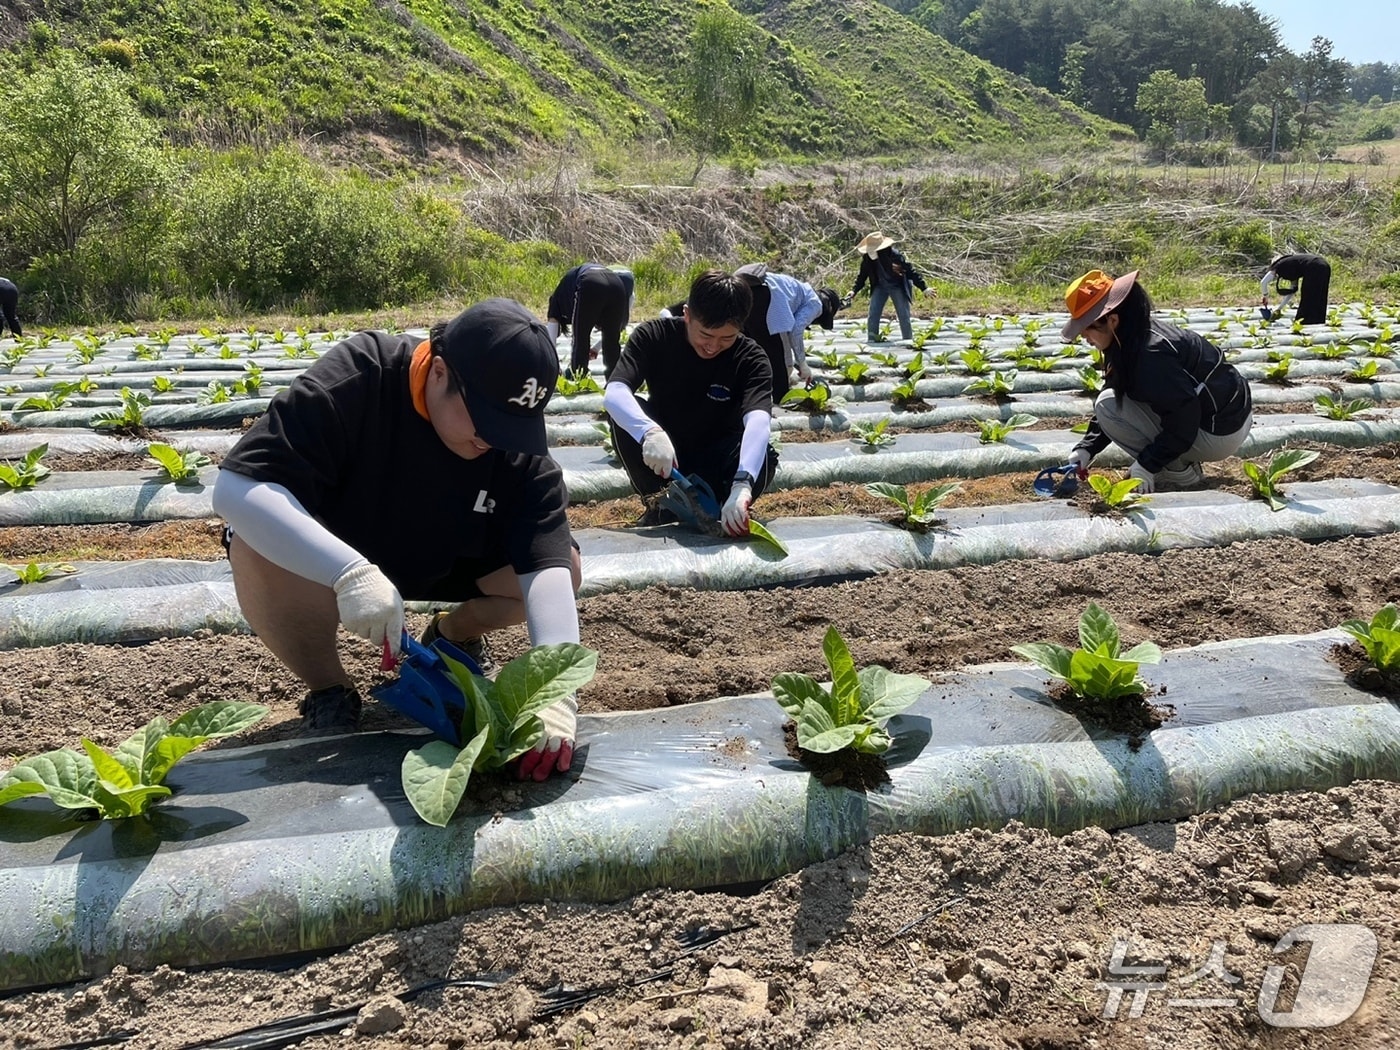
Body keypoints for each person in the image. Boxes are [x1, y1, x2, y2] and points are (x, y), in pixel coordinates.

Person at [211, 299, 582, 780]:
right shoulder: (360, 376)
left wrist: (555, 692)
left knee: (568, 568)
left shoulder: (512, 441)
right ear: (441, 372)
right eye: (485, 421)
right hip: (342, 549)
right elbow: (237, 489)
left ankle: (454, 635)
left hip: (449, 554)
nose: (495, 440)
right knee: (253, 541)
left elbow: (547, 568)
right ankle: (329, 688)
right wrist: (348, 573)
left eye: (512, 427)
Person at [603, 270, 778, 537]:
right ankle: (659, 504)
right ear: (687, 314)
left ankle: (726, 504)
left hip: (717, 456)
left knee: (765, 455)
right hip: (666, 457)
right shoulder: (654, 336)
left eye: (726, 338)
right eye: (706, 335)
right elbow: (615, 392)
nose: (713, 346)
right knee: (624, 415)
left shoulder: (751, 358)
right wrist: (649, 431)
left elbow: (758, 420)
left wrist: (742, 484)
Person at [1061, 269, 1253, 494]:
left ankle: (1181, 476)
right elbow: (1118, 389)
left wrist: (1147, 464)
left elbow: (1184, 415)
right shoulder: (1132, 335)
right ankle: (1175, 464)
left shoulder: (1149, 355)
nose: (1085, 338)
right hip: (1231, 417)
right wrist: (1086, 449)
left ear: (1112, 320)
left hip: (1220, 431)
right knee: (1110, 401)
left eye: (1087, 330)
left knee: (1107, 406)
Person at [733, 263, 843, 403]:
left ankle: (744, 392)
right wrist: (802, 364)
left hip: (742, 292)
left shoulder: (799, 289)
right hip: (764, 294)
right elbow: (795, 330)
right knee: (775, 351)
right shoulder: (815, 303)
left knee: (749, 348)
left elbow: (786, 331)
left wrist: (790, 365)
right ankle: (782, 398)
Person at [546, 263, 634, 379]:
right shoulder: (567, 290)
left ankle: (578, 376)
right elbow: (617, 327)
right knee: (612, 340)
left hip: (590, 281)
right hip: (617, 283)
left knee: (581, 336)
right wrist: (596, 348)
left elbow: (553, 325)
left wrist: (552, 363)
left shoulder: (557, 300)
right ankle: (615, 380)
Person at [850, 231, 928, 343]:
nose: (871, 252)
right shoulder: (867, 259)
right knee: (873, 313)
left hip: (897, 285)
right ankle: (872, 340)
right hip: (880, 286)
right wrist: (854, 291)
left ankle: (908, 341)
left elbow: (910, 271)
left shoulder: (894, 256)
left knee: (903, 315)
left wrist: (924, 288)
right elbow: (862, 276)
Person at [1260, 252, 1331, 325]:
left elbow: (1263, 282)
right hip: (1324, 265)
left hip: (1314, 267)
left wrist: (1265, 296)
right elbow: (1292, 291)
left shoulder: (1278, 265)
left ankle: (1306, 321)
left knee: (1308, 296)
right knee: (1320, 295)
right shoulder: (1292, 264)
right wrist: (1279, 308)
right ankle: (1318, 320)